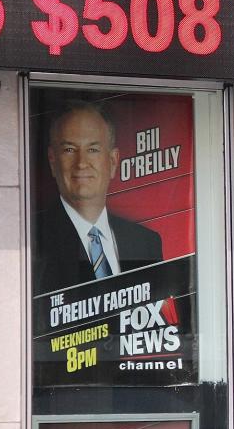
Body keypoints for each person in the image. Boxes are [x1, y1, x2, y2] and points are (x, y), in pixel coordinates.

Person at [32, 102, 163, 295]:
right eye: (69, 149)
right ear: (53, 160)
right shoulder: (33, 242)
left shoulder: (146, 242)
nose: (81, 163)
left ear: (113, 161)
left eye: (93, 150)